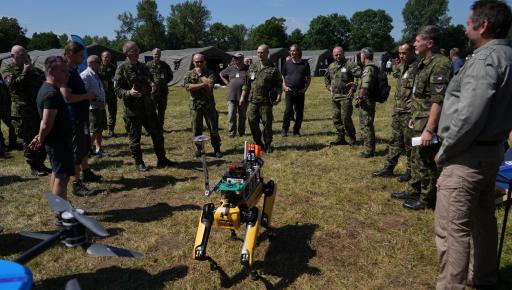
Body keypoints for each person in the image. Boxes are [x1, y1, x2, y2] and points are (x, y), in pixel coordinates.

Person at [434, 1, 512, 288]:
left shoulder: (483, 60)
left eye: (469, 23)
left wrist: (446, 150)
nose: (466, 27)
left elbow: (469, 115)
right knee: (483, 222)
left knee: (453, 232)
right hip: (492, 152)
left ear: (484, 25)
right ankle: (484, 278)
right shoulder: (507, 55)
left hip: (467, 156)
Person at [391, 25, 452, 210]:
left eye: (417, 41)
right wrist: (414, 116)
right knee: (417, 159)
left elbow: (438, 101)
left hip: (428, 124)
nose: (414, 45)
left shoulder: (440, 64)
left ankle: (427, 199)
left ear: (429, 43)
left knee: (427, 162)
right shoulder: (424, 63)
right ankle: (414, 190)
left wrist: (429, 129)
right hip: (418, 119)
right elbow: (420, 96)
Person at [114, 41, 175, 171]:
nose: (136, 53)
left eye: (137, 50)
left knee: (157, 133)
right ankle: (139, 162)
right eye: (133, 51)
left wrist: (151, 84)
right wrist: (129, 93)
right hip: (133, 111)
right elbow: (117, 90)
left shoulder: (143, 66)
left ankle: (162, 159)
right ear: (126, 53)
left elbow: (149, 79)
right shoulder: (122, 69)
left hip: (148, 107)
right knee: (135, 138)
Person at [1, 45, 50, 176]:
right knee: (29, 138)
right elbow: (13, 86)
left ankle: (41, 163)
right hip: (22, 111)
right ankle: (33, 165)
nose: (25, 57)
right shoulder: (7, 69)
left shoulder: (32, 69)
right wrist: (25, 71)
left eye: (26, 54)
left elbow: (44, 80)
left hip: (37, 108)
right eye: (22, 55)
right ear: (13, 56)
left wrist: (33, 71)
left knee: (41, 135)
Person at [61, 42, 102, 196]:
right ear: (71, 54)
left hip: (81, 116)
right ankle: (76, 183)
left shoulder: (74, 70)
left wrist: (89, 99)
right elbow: (67, 97)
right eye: (80, 55)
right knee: (76, 150)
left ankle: (86, 171)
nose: (82, 58)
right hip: (74, 118)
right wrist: (87, 96)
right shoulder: (67, 72)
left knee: (84, 146)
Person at [30, 56, 74, 200]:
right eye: (63, 71)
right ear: (52, 72)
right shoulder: (51, 93)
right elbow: (46, 123)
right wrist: (41, 139)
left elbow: (44, 121)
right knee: (63, 177)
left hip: (57, 140)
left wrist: (39, 136)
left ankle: (58, 206)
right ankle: (62, 214)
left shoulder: (49, 89)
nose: (67, 74)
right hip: (58, 142)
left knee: (57, 172)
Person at [372, 43, 417, 182]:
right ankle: (389, 168)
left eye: (404, 53)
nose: (401, 55)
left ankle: (410, 171)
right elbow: (396, 74)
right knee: (395, 141)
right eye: (400, 53)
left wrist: (415, 102)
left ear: (413, 52)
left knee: (410, 144)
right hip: (398, 111)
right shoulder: (403, 66)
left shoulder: (418, 68)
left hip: (409, 113)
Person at [240, 44, 283, 153]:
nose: (260, 54)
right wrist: (242, 97)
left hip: (266, 102)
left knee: (267, 124)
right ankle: (258, 142)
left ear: (268, 53)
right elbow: (246, 84)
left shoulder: (273, 69)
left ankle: (268, 144)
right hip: (253, 101)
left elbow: (279, 84)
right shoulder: (252, 67)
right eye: (258, 52)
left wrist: (279, 96)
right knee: (252, 121)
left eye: (262, 52)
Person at [184, 53, 222, 157]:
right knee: (196, 129)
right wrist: (202, 84)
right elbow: (188, 87)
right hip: (195, 106)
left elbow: (210, 85)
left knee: (213, 128)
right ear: (193, 62)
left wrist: (200, 75)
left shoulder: (210, 72)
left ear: (205, 62)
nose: (199, 64)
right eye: (197, 62)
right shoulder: (189, 74)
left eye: (201, 61)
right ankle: (199, 149)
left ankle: (217, 149)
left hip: (209, 105)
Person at [324, 46, 359, 145]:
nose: (338, 56)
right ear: (333, 55)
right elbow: (326, 78)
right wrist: (329, 87)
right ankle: (341, 137)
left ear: (343, 53)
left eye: (340, 54)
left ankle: (352, 137)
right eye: (336, 55)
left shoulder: (350, 64)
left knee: (345, 118)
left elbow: (359, 76)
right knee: (336, 118)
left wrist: (353, 88)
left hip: (346, 96)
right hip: (335, 96)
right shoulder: (331, 66)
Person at [281, 44, 311, 137]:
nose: (292, 52)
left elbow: (309, 78)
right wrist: (284, 86)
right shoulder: (287, 63)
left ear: (298, 51)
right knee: (288, 111)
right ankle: (285, 129)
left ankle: (296, 130)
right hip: (289, 91)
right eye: (291, 51)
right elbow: (282, 76)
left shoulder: (305, 64)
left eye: (294, 51)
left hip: (300, 92)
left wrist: (305, 88)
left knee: (299, 112)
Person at [81, 55, 107, 157]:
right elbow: (83, 93)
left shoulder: (96, 74)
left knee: (99, 129)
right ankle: (86, 151)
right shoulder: (85, 75)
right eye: (98, 62)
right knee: (94, 130)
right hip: (92, 108)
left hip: (100, 106)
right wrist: (95, 102)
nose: (100, 64)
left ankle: (98, 149)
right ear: (91, 63)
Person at [355, 47, 378, 158]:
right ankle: (368, 148)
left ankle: (369, 150)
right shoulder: (370, 68)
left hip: (366, 101)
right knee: (366, 124)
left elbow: (365, 86)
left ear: (364, 56)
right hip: (368, 100)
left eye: (361, 56)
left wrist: (359, 98)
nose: (360, 58)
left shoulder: (368, 69)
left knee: (366, 125)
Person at [220, 52, 248, 138]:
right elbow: (221, 74)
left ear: (242, 59)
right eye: (235, 58)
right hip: (232, 96)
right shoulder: (230, 68)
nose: (236, 60)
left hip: (244, 96)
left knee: (242, 115)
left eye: (237, 58)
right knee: (231, 115)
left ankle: (241, 132)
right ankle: (232, 133)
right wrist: (227, 83)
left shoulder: (248, 69)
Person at [147, 48, 173, 128]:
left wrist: (164, 82)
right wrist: (151, 83)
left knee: (162, 111)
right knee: (151, 111)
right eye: (155, 54)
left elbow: (170, 75)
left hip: (163, 92)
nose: (157, 56)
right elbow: (144, 76)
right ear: (152, 55)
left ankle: (160, 127)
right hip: (152, 92)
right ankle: (151, 128)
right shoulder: (148, 65)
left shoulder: (164, 65)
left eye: (158, 54)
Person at [99, 51, 118, 137]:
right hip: (101, 94)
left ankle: (111, 130)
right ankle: (100, 131)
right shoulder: (98, 68)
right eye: (105, 57)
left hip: (111, 93)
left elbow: (116, 78)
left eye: (108, 57)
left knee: (113, 112)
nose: (107, 58)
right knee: (101, 112)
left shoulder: (113, 67)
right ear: (102, 57)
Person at [0, 72, 17, 153]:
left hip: (5, 106)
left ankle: (12, 144)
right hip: (4, 106)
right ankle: (1, 146)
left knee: (13, 124)